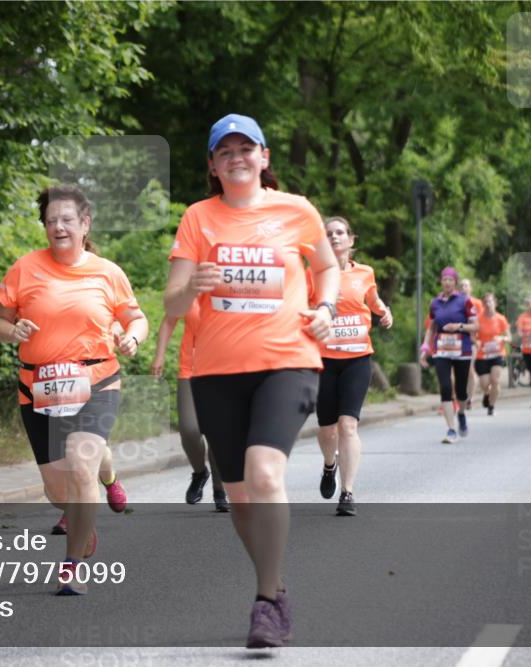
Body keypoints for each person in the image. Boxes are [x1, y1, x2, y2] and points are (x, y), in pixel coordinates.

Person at [164, 114, 339, 648]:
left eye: (247, 148)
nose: (237, 157)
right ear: (214, 167)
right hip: (217, 371)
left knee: (265, 475)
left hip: (287, 360)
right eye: (225, 151)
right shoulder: (198, 218)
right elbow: (171, 303)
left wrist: (327, 305)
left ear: (264, 157)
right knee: (240, 497)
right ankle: (275, 581)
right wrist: (192, 283)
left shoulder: (296, 210)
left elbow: (326, 266)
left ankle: (267, 602)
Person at [0, 184, 148, 595]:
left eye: (67, 220)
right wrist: (12, 329)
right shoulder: (25, 268)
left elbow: (136, 318)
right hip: (38, 389)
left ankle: (73, 566)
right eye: (51, 220)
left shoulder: (107, 272)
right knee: (60, 493)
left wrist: (133, 337)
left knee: (80, 463)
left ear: (85, 224)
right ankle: (99, 487)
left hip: (97, 383)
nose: (58, 226)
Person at [308, 216, 392, 517]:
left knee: (348, 425)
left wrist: (384, 312)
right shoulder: (313, 274)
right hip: (324, 362)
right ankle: (329, 465)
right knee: (327, 429)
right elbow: (299, 307)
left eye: (340, 233)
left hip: (358, 359)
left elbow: (373, 300)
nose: (334, 237)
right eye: (328, 233)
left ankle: (348, 492)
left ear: (351, 240)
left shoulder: (365, 273)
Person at [151, 303, 229, 512]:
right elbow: (168, 321)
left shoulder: (232, 288)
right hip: (191, 370)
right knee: (188, 429)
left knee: (218, 432)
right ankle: (200, 472)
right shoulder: (190, 291)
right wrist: (159, 355)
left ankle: (220, 491)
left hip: (226, 370)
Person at [419, 267, 478, 443]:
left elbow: (476, 326)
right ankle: (451, 429)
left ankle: (461, 412)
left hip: (462, 350)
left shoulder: (465, 301)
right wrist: (425, 348)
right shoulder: (435, 303)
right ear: (441, 282)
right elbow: (432, 327)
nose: (447, 282)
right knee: (445, 387)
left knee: (460, 390)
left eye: (450, 280)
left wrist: (458, 327)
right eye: (444, 279)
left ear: (455, 282)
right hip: (441, 350)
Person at [474, 293, 510, 416]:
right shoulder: (478, 319)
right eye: (486, 302)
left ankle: (491, 406)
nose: (488, 304)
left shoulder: (501, 319)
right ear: (483, 305)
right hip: (482, 355)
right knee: (484, 384)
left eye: (491, 302)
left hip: (497, 354)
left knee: (495, 380)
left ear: (495, 303)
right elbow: (472, 337)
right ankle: (487, 393)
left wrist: (502, 339)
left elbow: (509, 337)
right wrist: (476, 341)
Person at [459, 279, 484, 409]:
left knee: (470, 370)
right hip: (458, 340)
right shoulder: (456, 302)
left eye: (466, 285)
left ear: (471, 288)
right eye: (461, 285)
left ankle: (470, 397)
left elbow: (480, 322)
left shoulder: (477, 303)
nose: (464, 287)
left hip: (472, 340)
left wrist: (478, 338)